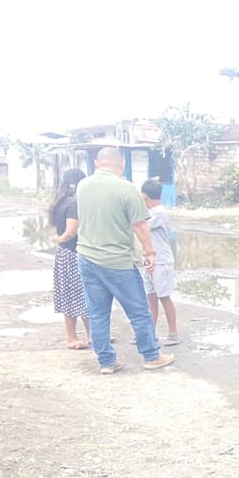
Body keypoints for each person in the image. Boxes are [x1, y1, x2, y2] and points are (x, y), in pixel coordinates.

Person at [74, 147, 175, 374]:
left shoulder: (83, 186)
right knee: (138, 310)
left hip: (87, 258)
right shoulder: (126, 188)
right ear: (122, 164)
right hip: (117, 261)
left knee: (98, 313)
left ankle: (106, 362)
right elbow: (139, 225)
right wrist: (150, 253)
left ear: (97, 163)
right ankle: (151, 356)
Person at [48, 167, 91, 349]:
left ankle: (81, 335)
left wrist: (59, 240)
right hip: (74, 254)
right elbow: (71, 231)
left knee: (70, 295)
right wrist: (60, 238)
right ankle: (79, 337)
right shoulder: (74, 203)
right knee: (84, 295)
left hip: (64, 254)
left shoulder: (61, 201)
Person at [139, 178, 179, 345]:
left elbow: (140, 227)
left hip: (161, 261)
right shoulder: (151, 213)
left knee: (164, 297)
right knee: (151, 297)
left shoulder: (159, 213)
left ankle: (173, 333)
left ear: (145, 197)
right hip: (149, 261)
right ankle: (150, 332)